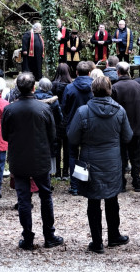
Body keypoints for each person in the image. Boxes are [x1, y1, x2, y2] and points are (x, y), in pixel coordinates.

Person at [67, 76, 133, 253]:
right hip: (112, 160)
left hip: (88, 160)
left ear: (92, 90)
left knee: (93, 201)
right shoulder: (119, 111)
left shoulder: (83, 111)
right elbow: (128, 137)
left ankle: (97, 242)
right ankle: (113, 236)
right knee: (112, 199)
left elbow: (72, 138)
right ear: (110, 89)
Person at [2, 72, 64, 250]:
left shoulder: (10, 109)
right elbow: (52, 135)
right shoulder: (43, 108)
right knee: (45, 196)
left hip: (19, 158)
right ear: (33, 88)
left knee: (23, 199)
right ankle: (49, 235)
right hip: (40, 157)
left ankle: (28, 237)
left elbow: (5, 135)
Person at [111, 62, 140, 192]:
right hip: (137, 127)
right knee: (135, 156)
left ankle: (122, 183)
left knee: (121, 156)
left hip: (121, 128)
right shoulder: (137, 85)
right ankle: (136, 181)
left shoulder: (115, 87)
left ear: (118, 72)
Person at [61, 62, 93, 192]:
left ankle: (75, 186)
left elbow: (64, 108)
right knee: (86, 153)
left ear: (77, 73)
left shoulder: (70, 88)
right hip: (90, 125)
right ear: (89, 73)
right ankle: (83, 183)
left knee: (73, 154)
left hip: (73, 125)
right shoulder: (95, 87)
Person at [51, 64, 73, 177]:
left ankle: (57, 171)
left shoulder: (53, 85)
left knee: (57, 145)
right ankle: (65, 172)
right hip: (68, 118)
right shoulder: (71, 85)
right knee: (67, 146)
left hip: (56, 119)